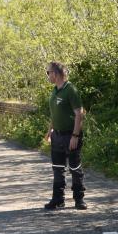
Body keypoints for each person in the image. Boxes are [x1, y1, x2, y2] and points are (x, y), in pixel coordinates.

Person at [43, 61, 86, 210]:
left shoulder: (70, 90)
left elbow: (79, 114)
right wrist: (49, 131)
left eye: (48, 73)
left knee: (75, 168)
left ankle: (79, 199)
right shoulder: (54, 91)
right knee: (58, 168)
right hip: (57, 136)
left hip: (70, 136)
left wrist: (75, 135)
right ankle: (58, 199)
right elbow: (55, 114)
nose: (47, 75)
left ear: (55, 74)